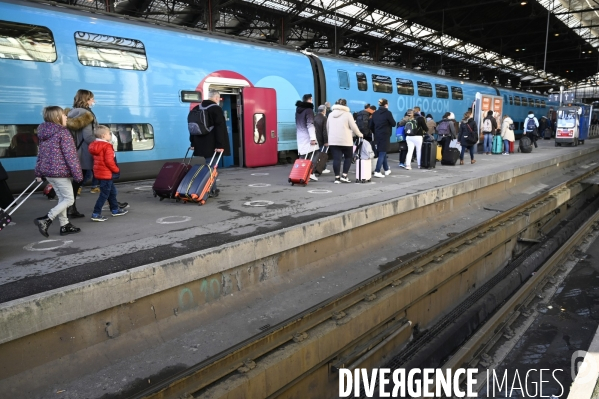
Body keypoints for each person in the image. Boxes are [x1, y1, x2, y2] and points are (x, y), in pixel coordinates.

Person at [34, 106, 83, 237]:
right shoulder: (63, 132)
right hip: (61, 173)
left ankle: (65, 225)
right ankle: (46, 219)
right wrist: (78, 175)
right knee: (69, 200)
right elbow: (71, 156)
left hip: (49, 173)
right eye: (64, 115)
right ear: (57, 118)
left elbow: (40, 155)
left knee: (62, 198)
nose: (66, 117)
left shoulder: (43, 133)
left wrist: (39, 172)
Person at [189, 89, 229, 196]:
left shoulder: (197, 108)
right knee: (211, 168)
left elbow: (192, 127)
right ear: (216, 98)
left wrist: (192, 143)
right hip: (212, 144)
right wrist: (220, 145)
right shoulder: (216, 109)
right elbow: (220, 128)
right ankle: (210, 190)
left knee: (208, 166)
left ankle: (207, 188)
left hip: (198, 142)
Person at [67, 89, 98, 219]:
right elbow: (88, 136)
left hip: (74, 151)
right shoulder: (86, 114)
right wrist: (101, 142)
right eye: (92, 99)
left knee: (77, 180)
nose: (94, 101)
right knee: (103, 176)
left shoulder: (71, 113)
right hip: (85, 151)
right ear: (86, 100)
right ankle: (113, 205)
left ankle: (71, 207)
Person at [88, 125, 129, 221]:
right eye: (109, 133)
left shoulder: (94, 145)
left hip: (100, 173)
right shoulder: (107, 146)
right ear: (103, 135)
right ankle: (96, 213)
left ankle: (115, 209)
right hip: (107, 173)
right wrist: (116, 170)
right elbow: (109, 161)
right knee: (104, 194)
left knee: (112, 192)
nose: (110, 135)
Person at [327, 98, 363, 183]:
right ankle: (344, 175)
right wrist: (360, 134)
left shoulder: (330, 114)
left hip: (333, 141)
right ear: (345, 105)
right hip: (345, 140)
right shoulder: (347, 114)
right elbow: (354, 127)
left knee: (336, 159)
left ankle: (337, 178)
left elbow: (327, 128)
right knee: (348, 157)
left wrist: (330, 137)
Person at [369, 98, 396, 178]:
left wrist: (376, 131)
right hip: (385, 135)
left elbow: (371, 125)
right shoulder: (388, 113)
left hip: (377, 135)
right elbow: (393, 123)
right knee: (382, 152)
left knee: (382, 152)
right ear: (386, 105)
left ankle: (386, 169)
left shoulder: (375, 113)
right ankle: (377, 171)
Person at [295, 93, 318, 181]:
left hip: (300, 135)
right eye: (311, 99)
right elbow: (310, 124)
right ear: (309, 99)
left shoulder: (298, 109)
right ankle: (310, 173)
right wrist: (313, 138)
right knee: (315, 153)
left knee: (303, 155)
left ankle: (299, 173)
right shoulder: (309, 110)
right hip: (308, 135)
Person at [314, 104, 330, 175]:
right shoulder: (324, 118)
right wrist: (326, 141)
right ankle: (322, 168)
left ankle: (315, 168)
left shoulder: (315, 117)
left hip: (315, 138)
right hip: (321, 139)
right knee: (323, 154)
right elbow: (325, 131)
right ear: (324, 111)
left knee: (316, 154)